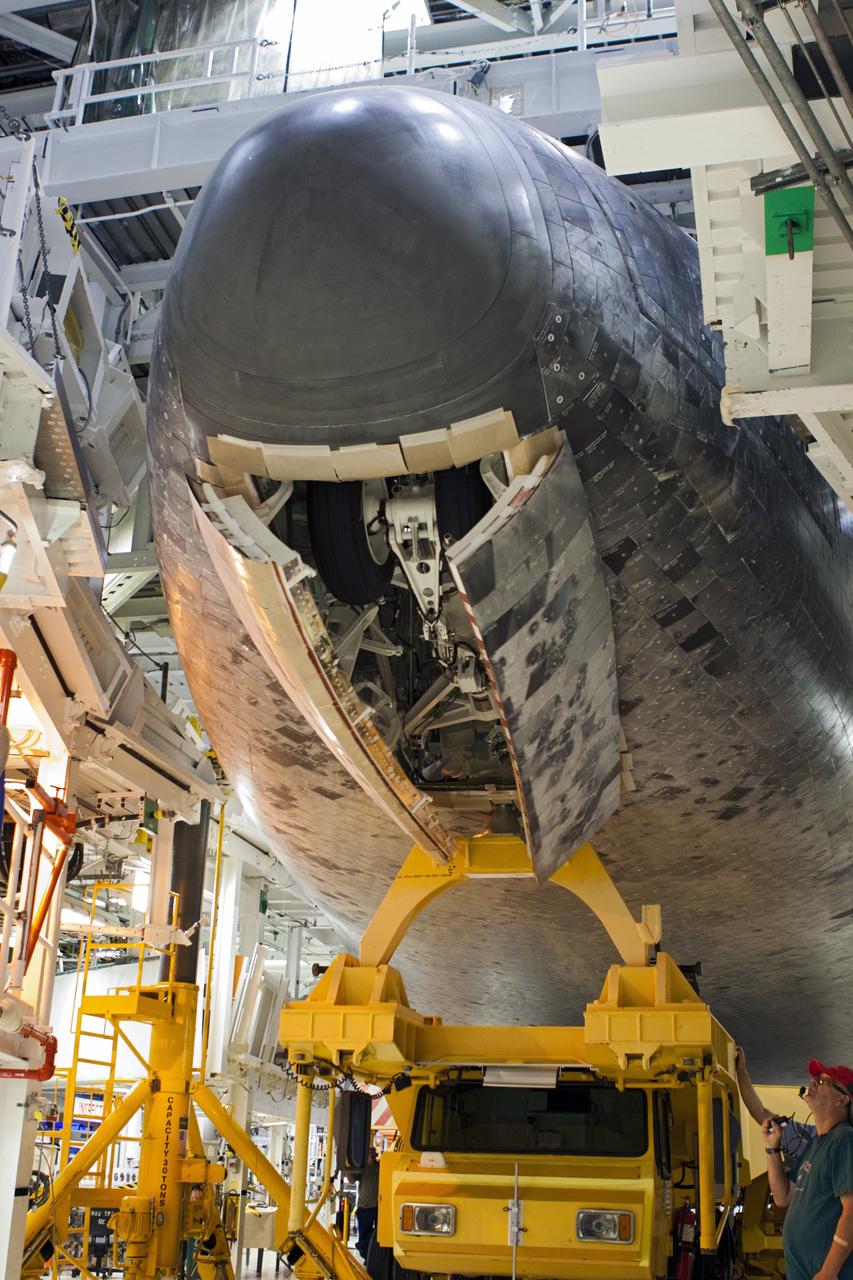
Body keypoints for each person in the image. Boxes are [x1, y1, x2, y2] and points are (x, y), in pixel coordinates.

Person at [736, 1047, 853, 1280]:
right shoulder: (815, 1143)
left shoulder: (844, 1140)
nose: (814, 1081)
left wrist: (829, 1271)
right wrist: (772, 1149)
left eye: (824, 1081)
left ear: (843, 1100)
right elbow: (783, 1197)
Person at [351, 1147, 379, 1261]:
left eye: (373, 1153)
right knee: (364, 1233)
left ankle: (364, 1247)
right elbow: (352, 1179)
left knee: (378, 1234)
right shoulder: (362, 1168)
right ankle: (366, 1255)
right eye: (369, 1153)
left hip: (378, 1206)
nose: (371, 1155)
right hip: (365, 1207)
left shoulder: (380, 1167)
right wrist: (348, 1167)